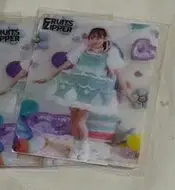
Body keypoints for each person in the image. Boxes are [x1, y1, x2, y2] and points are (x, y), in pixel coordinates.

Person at [36, 27, 132, 158]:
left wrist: (127, 93)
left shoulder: (110, 53)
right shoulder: (82, 49)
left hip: (90, 92)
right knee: (73, 120)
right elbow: (66, 64)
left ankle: (85, 147)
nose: (94, 40)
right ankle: (76, 147)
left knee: (79, 121)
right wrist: (48, 77)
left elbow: (119, 75)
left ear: (105, 39)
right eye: (92, 37)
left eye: (98, 38)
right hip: (73, 87)